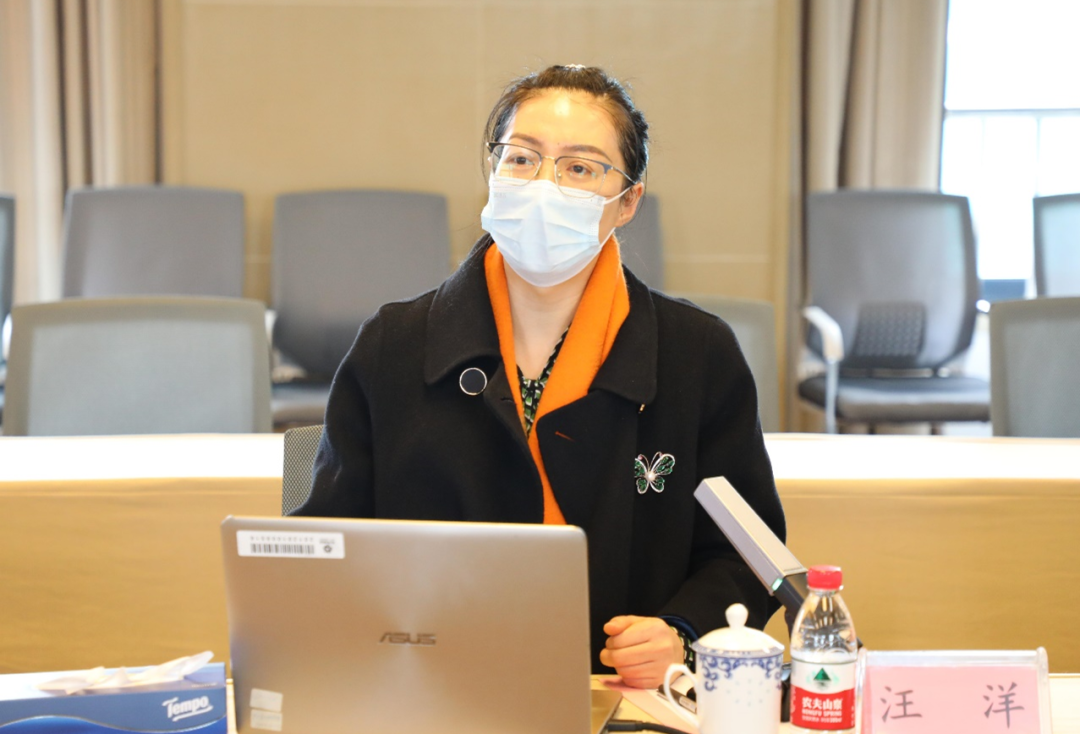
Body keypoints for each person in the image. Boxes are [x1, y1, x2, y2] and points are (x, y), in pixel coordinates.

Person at [294, 64, 786, 689]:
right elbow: (328, 547)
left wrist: (683, 632)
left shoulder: (698, 353)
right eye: (523, 159)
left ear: (627, 201)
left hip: (621, 695)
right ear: (494, 172)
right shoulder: (393, 344)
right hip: (431, 691)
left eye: (579, 168)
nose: (544, 186)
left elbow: (748, 553)